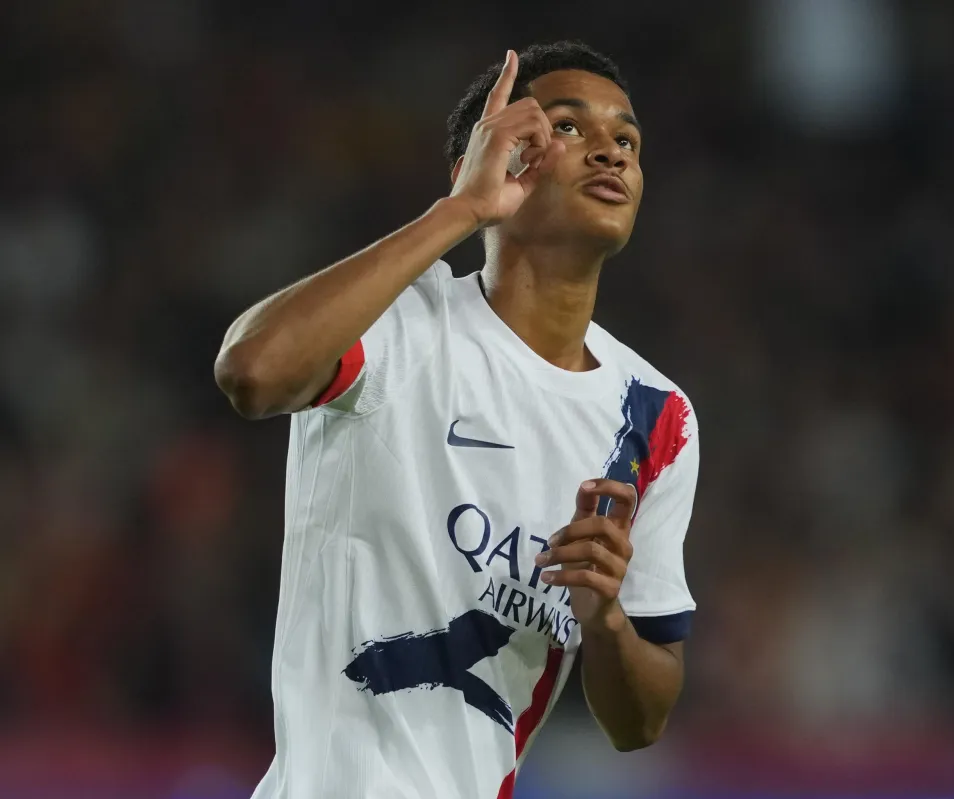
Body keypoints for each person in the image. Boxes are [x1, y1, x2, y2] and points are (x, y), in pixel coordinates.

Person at [214, 41, 699, 799]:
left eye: (627, 140)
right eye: (568, 126)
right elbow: (251, 371)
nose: (610, 150)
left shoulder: (658, 415)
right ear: (490, 158)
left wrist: (604, 618)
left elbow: (640, 722)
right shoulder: (400, 326)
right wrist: (461, 210)